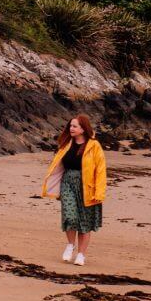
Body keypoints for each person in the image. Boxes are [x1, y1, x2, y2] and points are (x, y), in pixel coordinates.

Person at [41, 114, 107, 267]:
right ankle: (70, 245)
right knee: (70, 217)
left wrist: (99, 192)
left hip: (87, 186)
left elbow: (101, 170)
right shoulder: (66, 143)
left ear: (83, 129)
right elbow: (57, 165)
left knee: (85, 223)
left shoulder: (94, 146)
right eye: (70, 126)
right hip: (68, 183)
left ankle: (81, 255)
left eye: (75, 126)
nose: (71, 128)